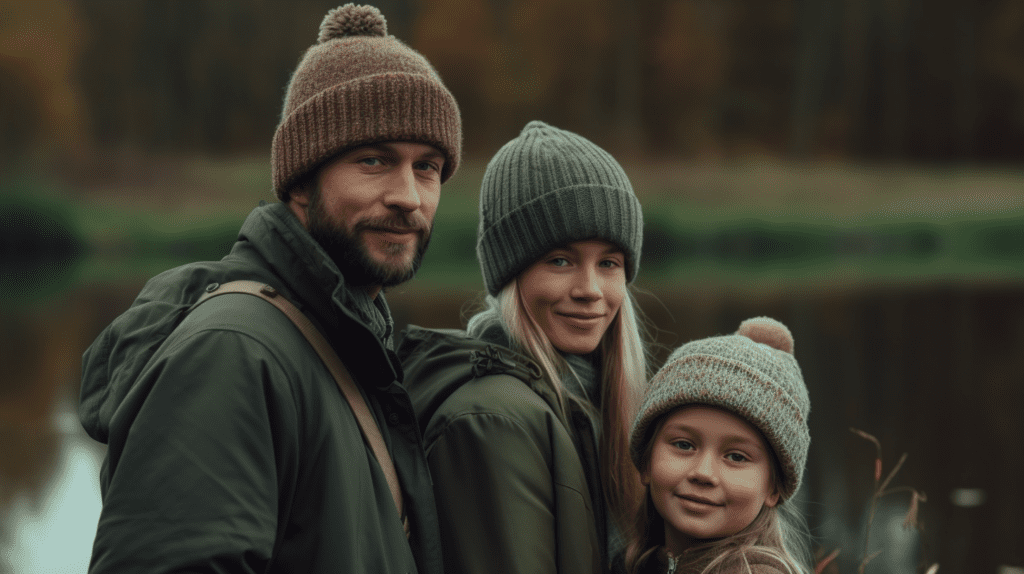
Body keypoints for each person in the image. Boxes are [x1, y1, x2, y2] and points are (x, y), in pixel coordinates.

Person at [77, 4, 460, 573]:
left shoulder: (346, 342)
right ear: (301, 183)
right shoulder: (232, 351)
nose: (408, 194)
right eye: (374, 160)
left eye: (427, 166)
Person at [399, 120, 648, 574]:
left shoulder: (590, 402)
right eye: (560, 261)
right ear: (511, 276)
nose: (591, 289)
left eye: (609, 262)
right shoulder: (494, 419)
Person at [623, 317, 813, 574]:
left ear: (774, 488)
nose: (703, 473)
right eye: (684, 445)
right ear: (646, 461)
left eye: (736, 457)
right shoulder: (634, 564)